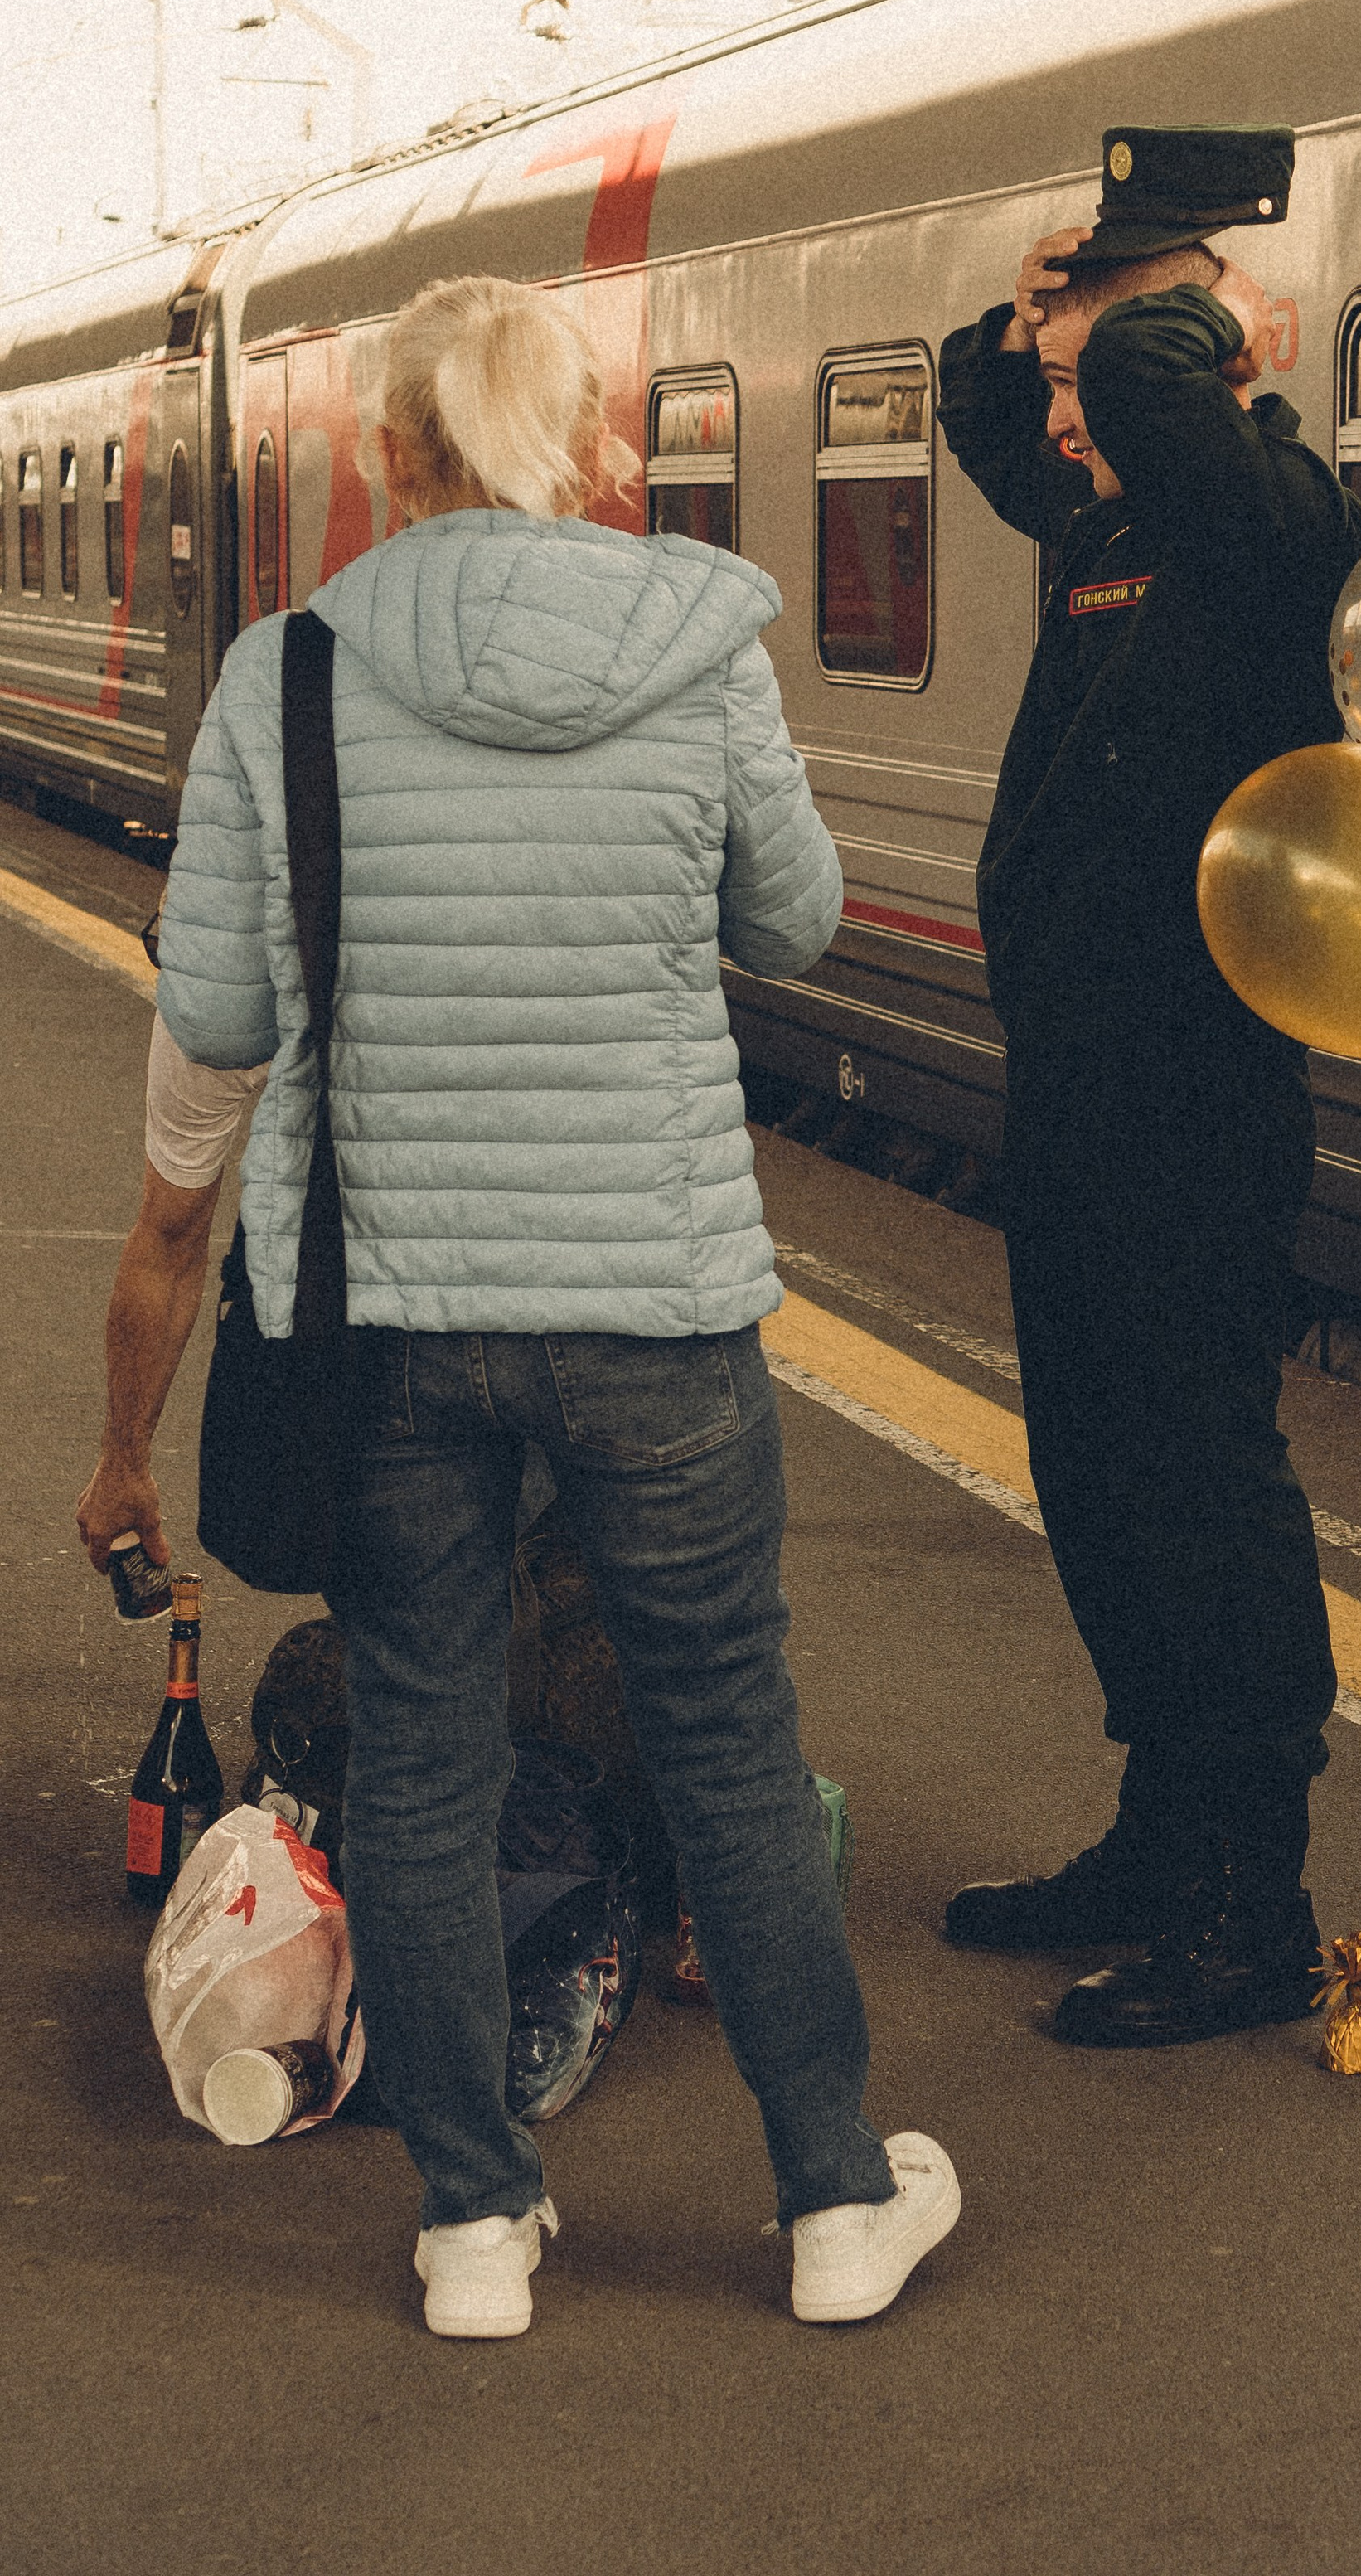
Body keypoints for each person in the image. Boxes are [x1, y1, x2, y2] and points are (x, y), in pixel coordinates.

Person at [75, 275, 957, 2336]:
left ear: (380, 454)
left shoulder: (282, 678)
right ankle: (834, 2204)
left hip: (392, 1314)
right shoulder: (705, 641)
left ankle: (475, 2223)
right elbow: (798, 918)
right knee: (728, 1740)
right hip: (652, 1299)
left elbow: (208, 1013)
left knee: (430, 1748)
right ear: (587, 440)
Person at [935, 124, 1361, 2049]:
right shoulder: (1116, 529)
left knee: (1196, 1491)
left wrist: (1151, 312)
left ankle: (1243, 1904)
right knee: (1099, 1483)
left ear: (1202, 352)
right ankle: (1150, 1831)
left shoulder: (1268, 526)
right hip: (1082, 1091)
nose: (1069, 394)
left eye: (1103, 361)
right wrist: (1023, 312)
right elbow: (988, 420)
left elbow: (1143, 395)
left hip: (1195, 1098)